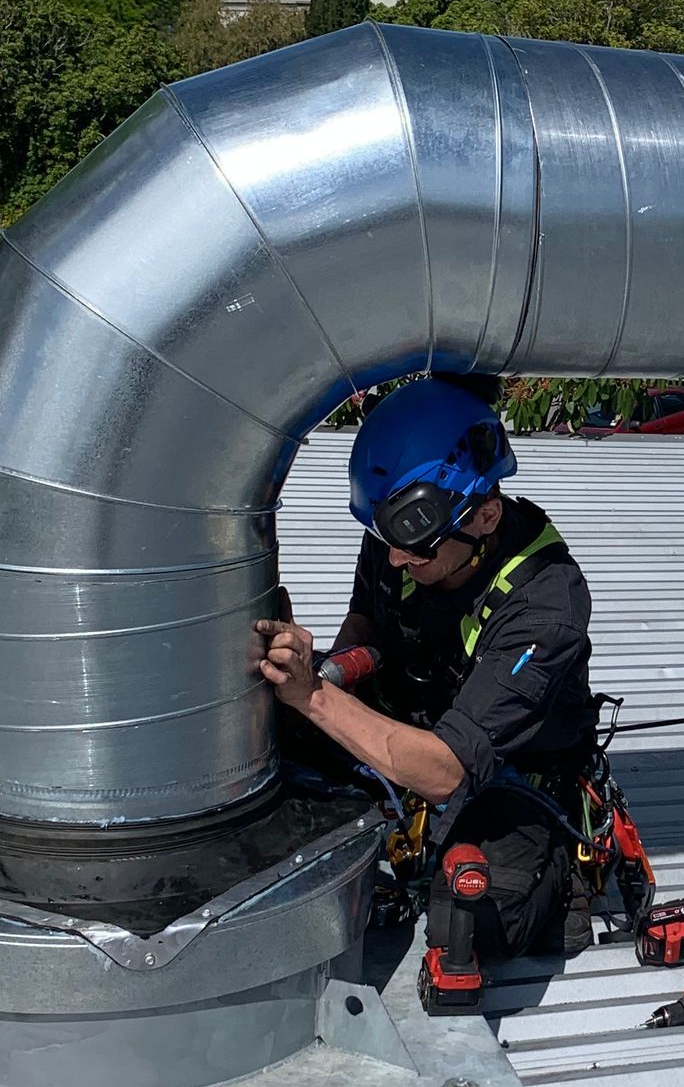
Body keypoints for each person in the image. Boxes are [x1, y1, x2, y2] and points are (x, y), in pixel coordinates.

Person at [255, 375, 598, 1011]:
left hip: (504, 774)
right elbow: (367, 622)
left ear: (485, 516)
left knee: (477, 921)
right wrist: (318, 675)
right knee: (261, 737)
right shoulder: (404, 532)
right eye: (384, 542)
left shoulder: (545, 608)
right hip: (410, 719)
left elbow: (444, 772)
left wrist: (316, 698)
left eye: (411, 549)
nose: (394, 561)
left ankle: (560, 878)